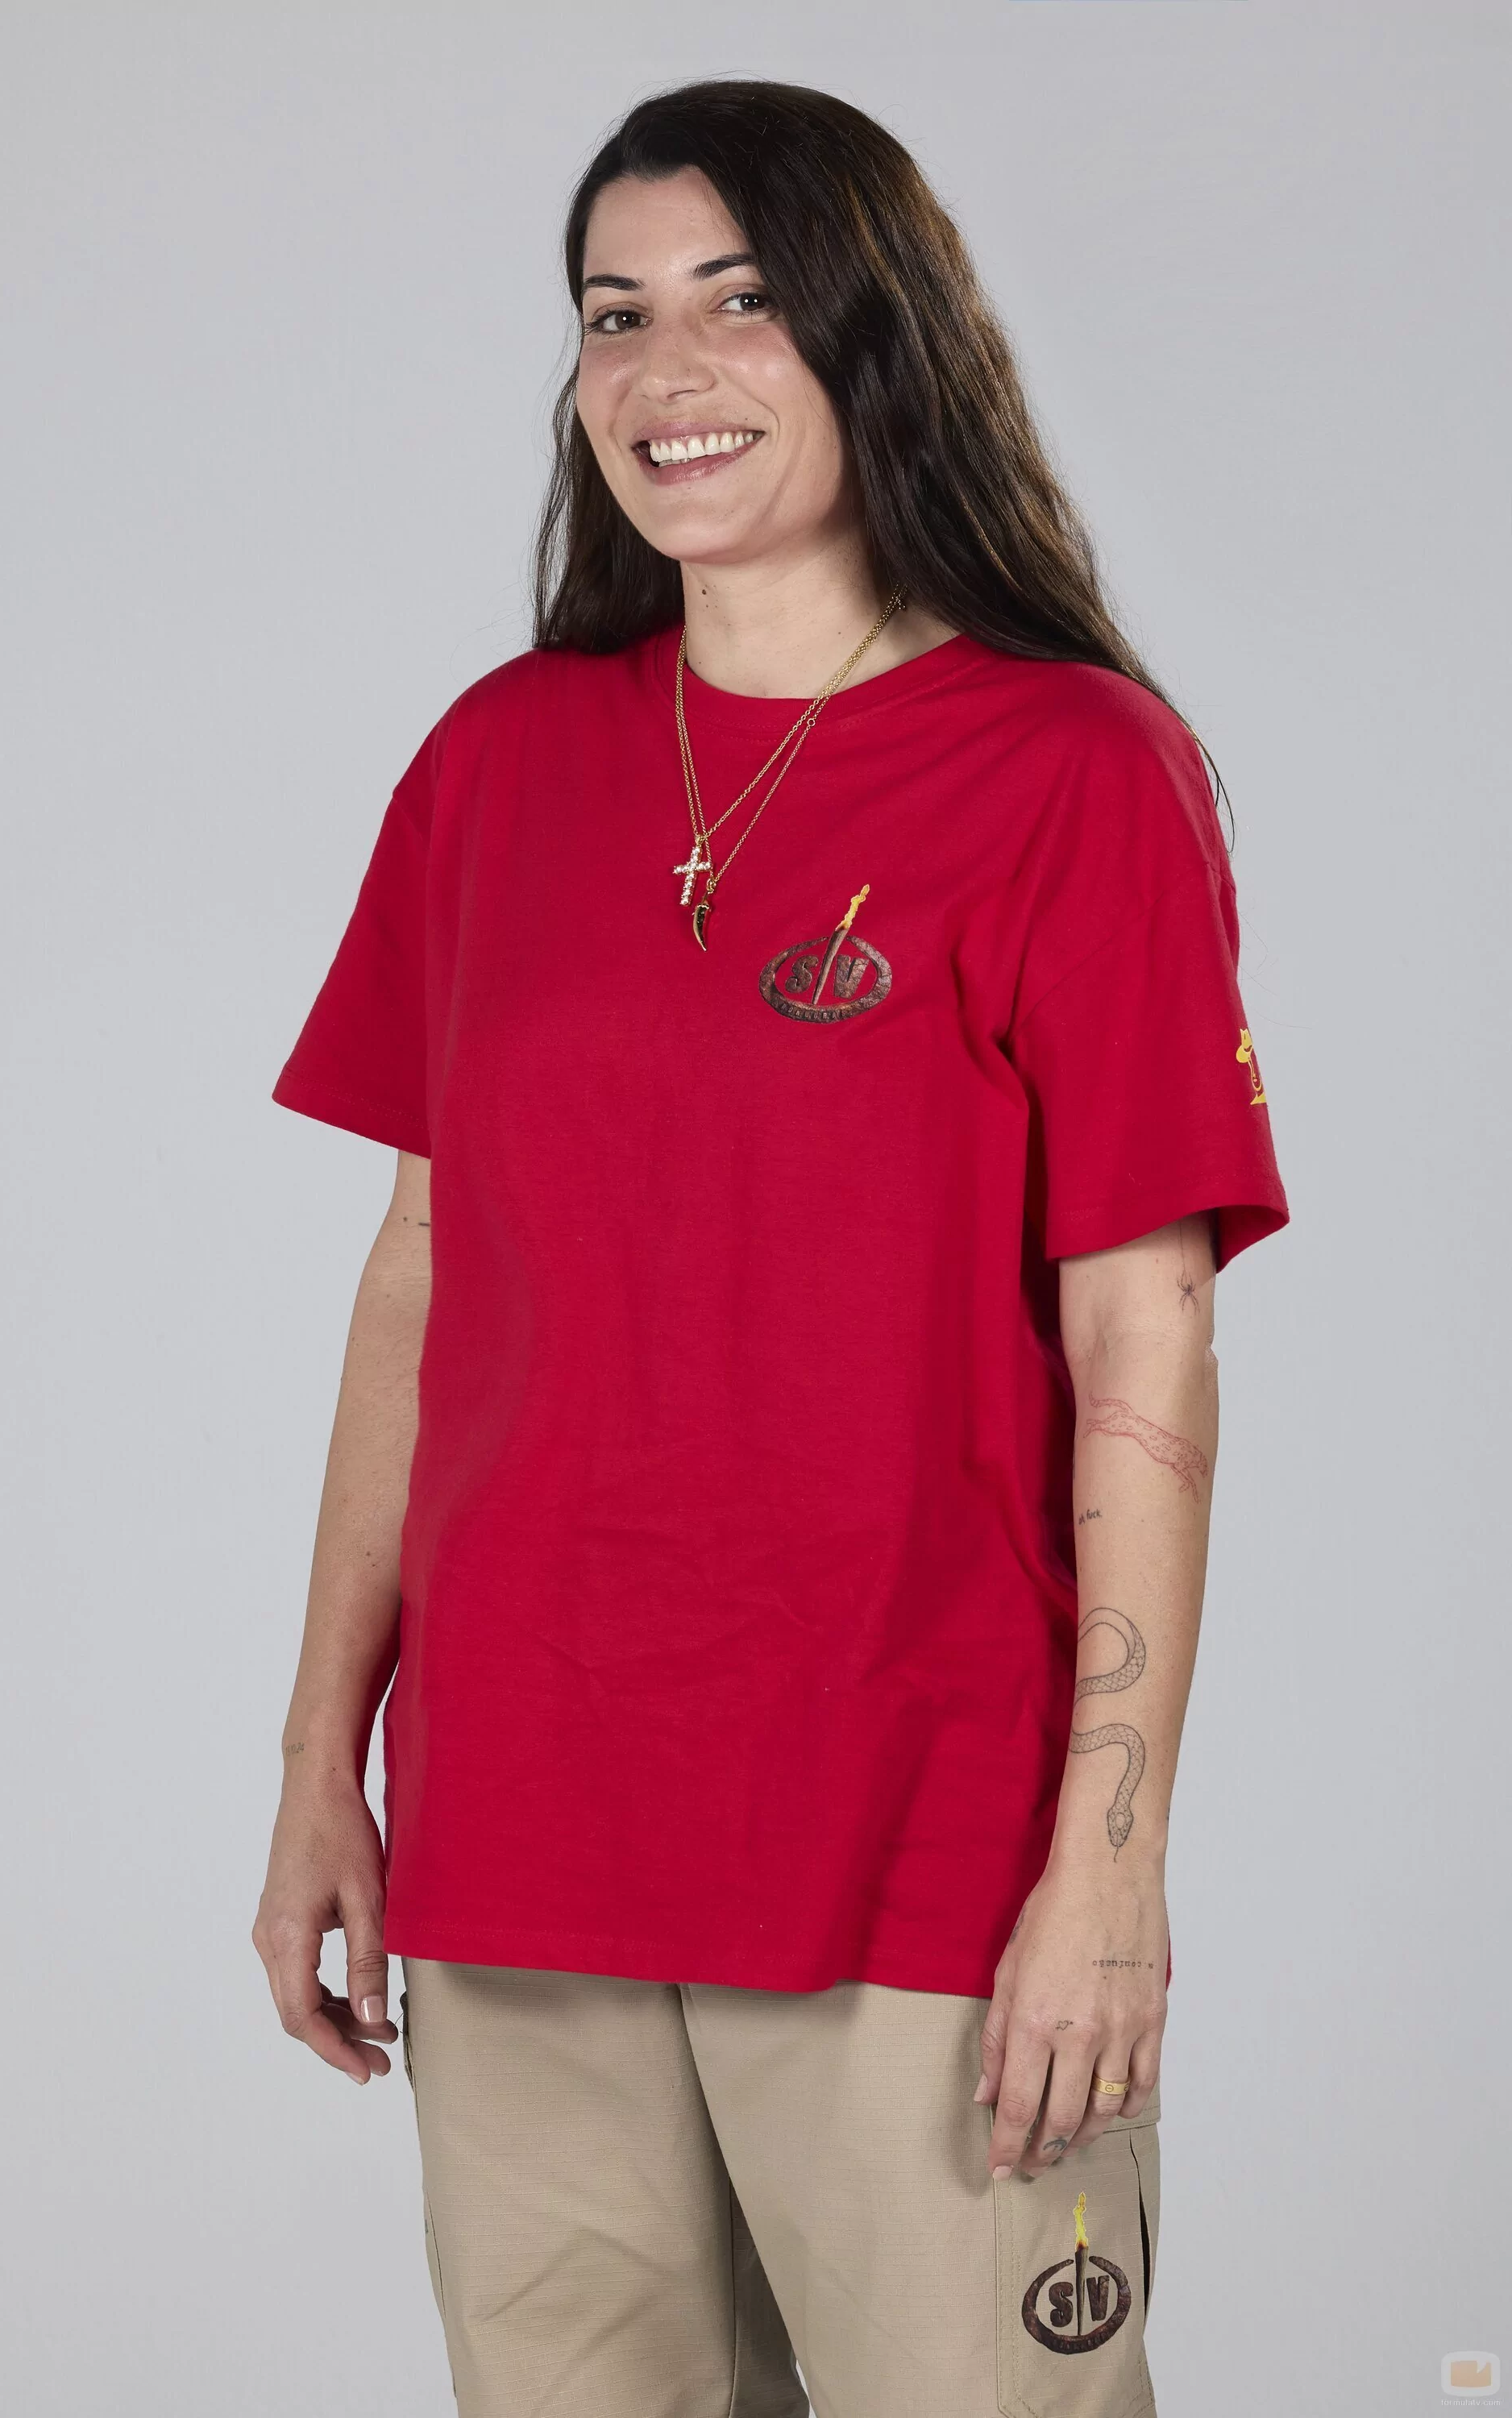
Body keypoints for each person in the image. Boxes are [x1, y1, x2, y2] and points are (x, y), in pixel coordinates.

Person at [252, 77, 1288, 2418]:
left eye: (739, 300)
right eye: (613, 314)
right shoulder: (500, 762)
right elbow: (421, 1278)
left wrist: (1108, 1873)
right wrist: (326, 1764)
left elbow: (1146, 1346)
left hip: (918, 1853)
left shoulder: (1074, 769)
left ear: (874, 335)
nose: (665, 371)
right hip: (520, 1841)